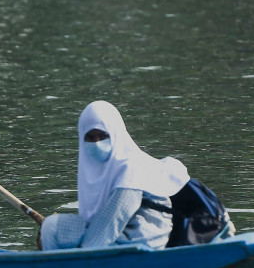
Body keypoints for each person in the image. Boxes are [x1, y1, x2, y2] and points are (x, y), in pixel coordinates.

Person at [39, 100, 190, 250]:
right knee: (52, 227)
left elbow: (113, 221)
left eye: (102, 136)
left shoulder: (129, 169)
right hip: (123, 231)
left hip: (142, 238)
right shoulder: (97, 168)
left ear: (115, 133)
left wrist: (82, 254)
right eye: (90, 137)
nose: (97, 143)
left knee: (52, 228)